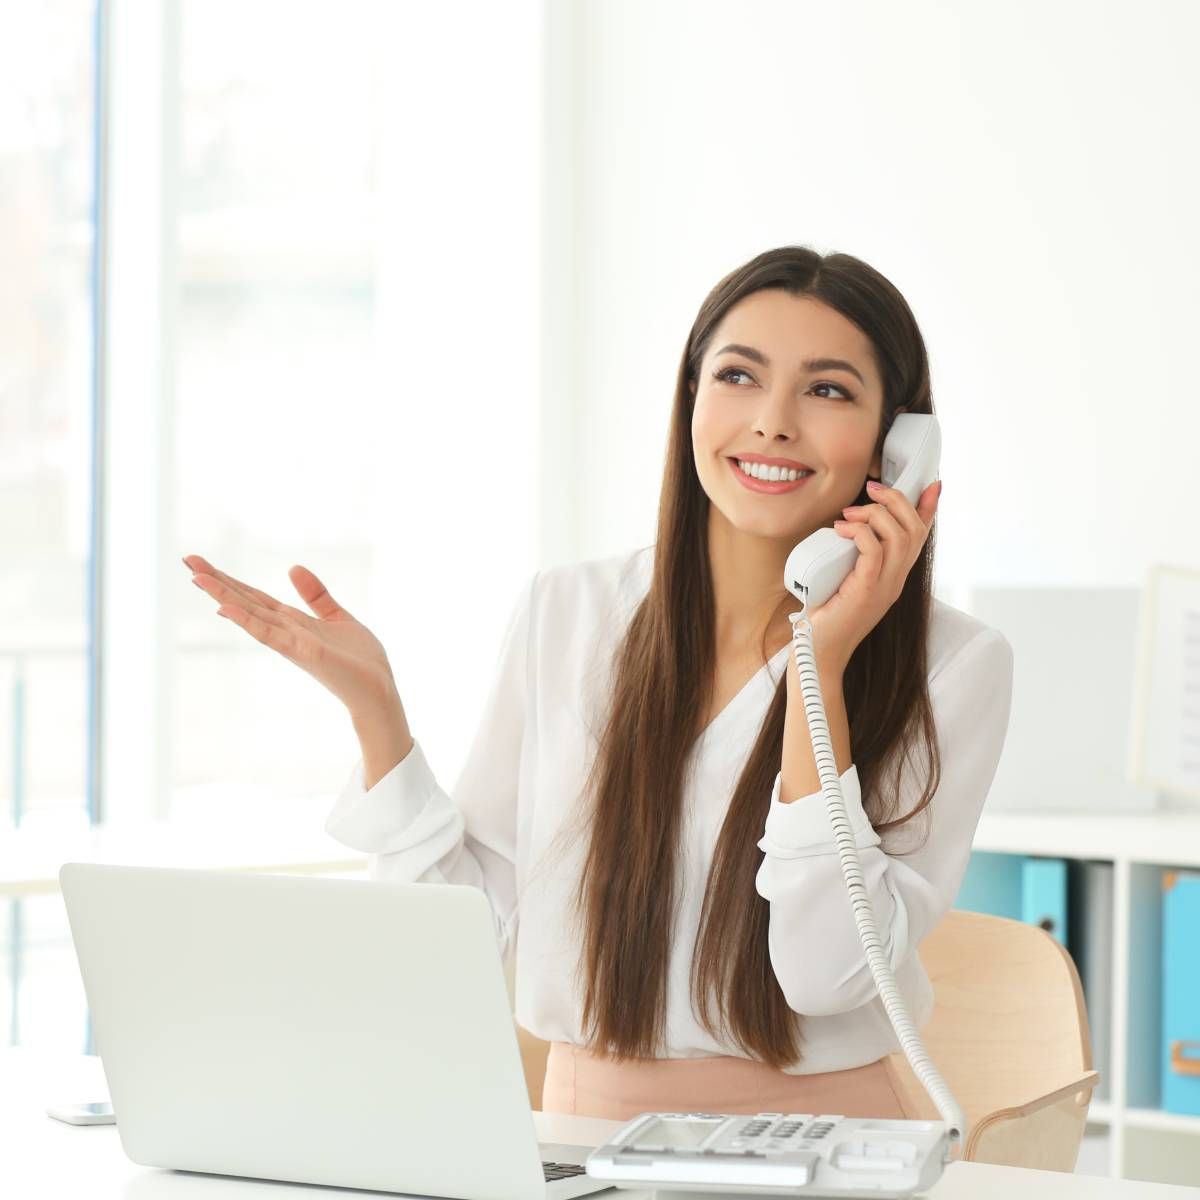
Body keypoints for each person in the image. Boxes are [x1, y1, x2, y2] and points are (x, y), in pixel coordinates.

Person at [183, 244, 1013, 1122]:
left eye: (828, 389)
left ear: (902, 444)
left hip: (827, 1144)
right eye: (739, 375)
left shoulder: (955, 667)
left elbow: (824, 973)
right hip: (579, 1134)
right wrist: (377, 716)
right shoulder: (567, 612)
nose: (772, 421)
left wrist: (825, 664)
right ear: (691, 398)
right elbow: (463, 941)